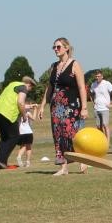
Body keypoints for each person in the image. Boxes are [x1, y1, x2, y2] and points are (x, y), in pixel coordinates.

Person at [38, 37, 89, 176]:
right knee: (58, 135)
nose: (55, 49)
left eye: (58, 47)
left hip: (72, 106)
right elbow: (49, 88)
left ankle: (82, 161)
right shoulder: (54, 66)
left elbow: (81, 87)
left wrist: (84, 107)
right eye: (54, 47)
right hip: (56, 107)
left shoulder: (75, 64)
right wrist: (42, 105)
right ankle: (63, 167)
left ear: (66, 48)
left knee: (73, 134)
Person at [0, 75, 36, 169]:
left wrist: (29, 107)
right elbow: (20, 102)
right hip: (8, 114)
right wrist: (24, 116)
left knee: (5, 137)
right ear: (29, 84)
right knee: (15, 136)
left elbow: (13, 100)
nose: (29, 90)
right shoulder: (23, 87)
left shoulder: (12, 84)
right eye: (31, 88)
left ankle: (0, 162)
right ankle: (1, 160)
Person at [90, 70, 112, 145]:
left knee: (105, 125)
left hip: (105, 108)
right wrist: (93, 102)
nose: (97, 78)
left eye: (99, 76)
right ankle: (101, 142)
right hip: (96, 108)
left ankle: (107, 143)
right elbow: (91, 94)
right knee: (98, 127)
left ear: (102, 76)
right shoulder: (93, 84)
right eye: (96, 76)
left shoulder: (106, 83)